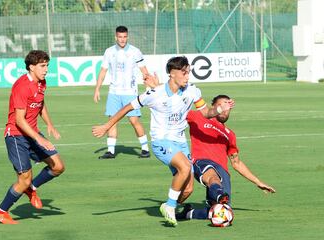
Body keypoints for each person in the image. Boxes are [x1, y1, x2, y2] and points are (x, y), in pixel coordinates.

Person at [92, 56, 235, 227]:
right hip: (161, 142)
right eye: (184, 73)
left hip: (180, 143)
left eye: (188, 72)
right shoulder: (155, 94)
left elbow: (205, 112)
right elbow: (127, 108)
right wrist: (107, 125)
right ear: (172, 74)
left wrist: (220, 109)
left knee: (188, 188)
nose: (187, 76)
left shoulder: (192, 91)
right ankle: (170, 205)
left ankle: (171, 206)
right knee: (186, 167)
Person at [0, 50, 65, 224]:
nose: (46, 69)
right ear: (31, 67)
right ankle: (1, 211)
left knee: (58, 166)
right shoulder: (21, 86)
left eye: (47, 65)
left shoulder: (42, 83)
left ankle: (31, 188)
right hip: (16, 136)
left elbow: (40, 104)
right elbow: (19, 120)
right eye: (42, 66)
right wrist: (40, 139)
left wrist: (49, 124)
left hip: (32, 134)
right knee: (24, 179)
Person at [176, 94, 276, 221]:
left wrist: (258, 182)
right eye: (221, 106)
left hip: (223, 172)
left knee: (221, 213)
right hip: (202, 161)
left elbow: (236, 163)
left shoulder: (230, 135)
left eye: (228, 107)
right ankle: (218, 194)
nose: (225, 110)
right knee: (213, 178)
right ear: (213, 107)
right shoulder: (198, 117)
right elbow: (174, 111)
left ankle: (188, 213)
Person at [93, 25, 150, 159]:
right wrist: (97, 89)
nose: (122, 39)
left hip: (130, 92)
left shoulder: (135, 51)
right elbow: (103, 71)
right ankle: (111, 151)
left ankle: (145, 149)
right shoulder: (109, 52)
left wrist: (149, 88)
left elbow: (144, 71)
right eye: (120, 37)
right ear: (116, 37)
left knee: (134, 120)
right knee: (112, 120)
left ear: (127, 37)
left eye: (124, 37)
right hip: (114, 92)